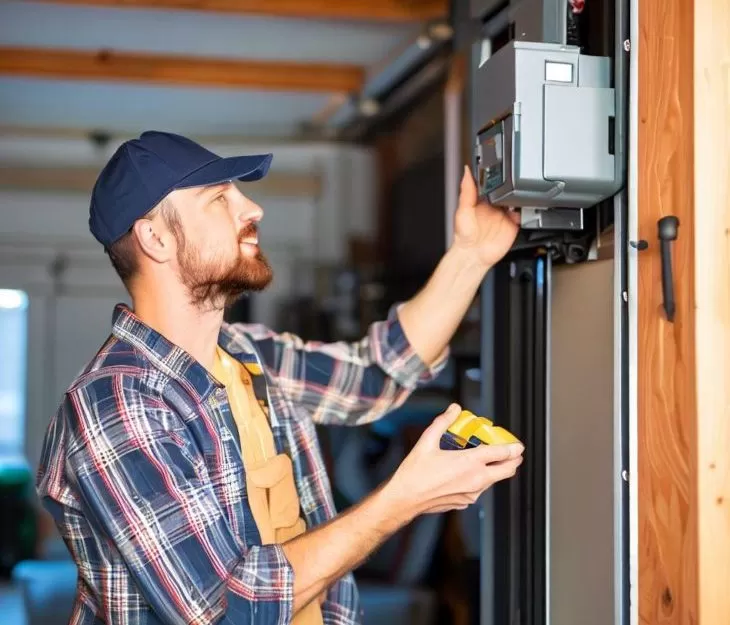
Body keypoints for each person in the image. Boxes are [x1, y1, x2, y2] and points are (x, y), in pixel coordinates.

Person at [36, 131, 524, 625]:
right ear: (155, 238)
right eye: (220, 199)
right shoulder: (116, 403)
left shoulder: (247, 355)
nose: (253, 209)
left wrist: (472, 254)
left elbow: (377, 374)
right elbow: (223, 611)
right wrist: (401, 500)